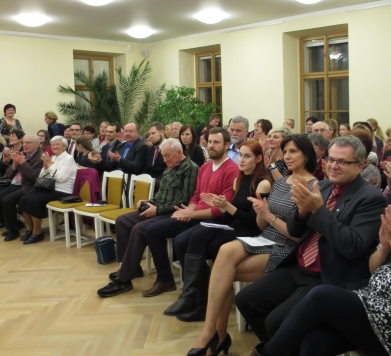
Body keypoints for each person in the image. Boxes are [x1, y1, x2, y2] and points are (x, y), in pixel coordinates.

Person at [236, 136, 388, 343]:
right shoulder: (322, 187)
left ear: (360, 166)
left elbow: (352, 246)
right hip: (298, 266)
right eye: (331, 159)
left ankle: (279, 346)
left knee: (275, 322)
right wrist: (301, 212)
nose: (334, 166)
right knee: (246, 300)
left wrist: (318, 210)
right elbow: (294, 229)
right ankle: (280, 346)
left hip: (326, 274)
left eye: (343, 162)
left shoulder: (370, 198)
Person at [251, 202, 391, 356]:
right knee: (313, 342)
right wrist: (385, 247)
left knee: (320, 296)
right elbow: (373, 268)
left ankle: (267, 353)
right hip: (372, 299)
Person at [187, 134, 318, 356]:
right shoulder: (281, 182)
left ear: (306, 155)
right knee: (224, 252)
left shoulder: (313, 186)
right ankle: (212, 332)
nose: (287, 156)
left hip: (287, 247)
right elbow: (260, 224)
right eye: (285, 152)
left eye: (293, 152)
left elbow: (299, 237)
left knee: (222, 274)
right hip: (265, 236)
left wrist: (268, 216)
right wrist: (261, 211)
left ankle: (217, 336)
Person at [163, 140, 273, 321]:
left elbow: (255, 224)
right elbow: (231, 216)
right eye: (240, 155)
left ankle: (195, 299)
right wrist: (220, 206)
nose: (241, 160)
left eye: (247, 156)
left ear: (258, 159)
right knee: (197, 235)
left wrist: (227, 206)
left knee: (198, 240)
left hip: (250, 234)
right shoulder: (238, 179)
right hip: (233, 228)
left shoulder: (263, 184)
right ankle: (193, 297)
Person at [142, 128, 239, 298]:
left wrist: (191, 214)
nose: (211, 146)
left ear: (227, 145)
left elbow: (222, 210)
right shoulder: (205, 167)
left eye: (216, 142)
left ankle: (195, 291)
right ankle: (166, 279)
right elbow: (196, 195)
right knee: (151, 231)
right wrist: (188, 210)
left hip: (214, 220)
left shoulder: (232, 170)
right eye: (210, 142)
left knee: (181, 241)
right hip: (196, 215)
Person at [96, 138, 199, 298]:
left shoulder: (190, 168)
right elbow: (162, 194)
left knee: (140, 229)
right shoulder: (170, 168)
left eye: (167, 156)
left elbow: (185, 200)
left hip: (174, 213)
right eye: (163, 156)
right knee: (122, 221)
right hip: (159, 209)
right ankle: (131, 267)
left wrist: (157, 210)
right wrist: (148, 202)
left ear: (179, 153)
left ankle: (124, 278)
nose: (164, 160)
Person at [17, 136, 77, 245]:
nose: (55, 146)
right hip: (49, 188)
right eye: (53, 144)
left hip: (63, 190)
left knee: (34, 201)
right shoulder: (53, 158)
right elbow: (41, 177)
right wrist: (45, 167)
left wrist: (49, 164)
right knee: (24, 199)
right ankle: (30, 229)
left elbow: (61, 178)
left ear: (64, 147)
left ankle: (37, 232)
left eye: (58, 144)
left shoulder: (68, 158)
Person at [0, 135, 44, 241]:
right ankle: (15, 224)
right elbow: (8, 175)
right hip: (16, 184)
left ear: (37, 144)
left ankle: (13, 230)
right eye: (24, 142)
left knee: (7, 200)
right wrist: (14, 165)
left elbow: (34, 177)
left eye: (28, 143)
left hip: (29, 187)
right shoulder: (24, 154)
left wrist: (23, 163)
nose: (25, 145)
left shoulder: (41, 157)